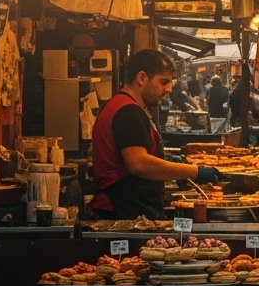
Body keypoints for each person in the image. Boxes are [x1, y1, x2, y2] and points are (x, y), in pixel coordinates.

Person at [91, 49, 220, 219]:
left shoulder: (124, 106)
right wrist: (193, 171)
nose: (168, 89)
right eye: (164, 81)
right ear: (142, 78)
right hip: (123, 211)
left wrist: (172, 168)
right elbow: (138, 163)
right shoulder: (128, 111)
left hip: (130, 209)